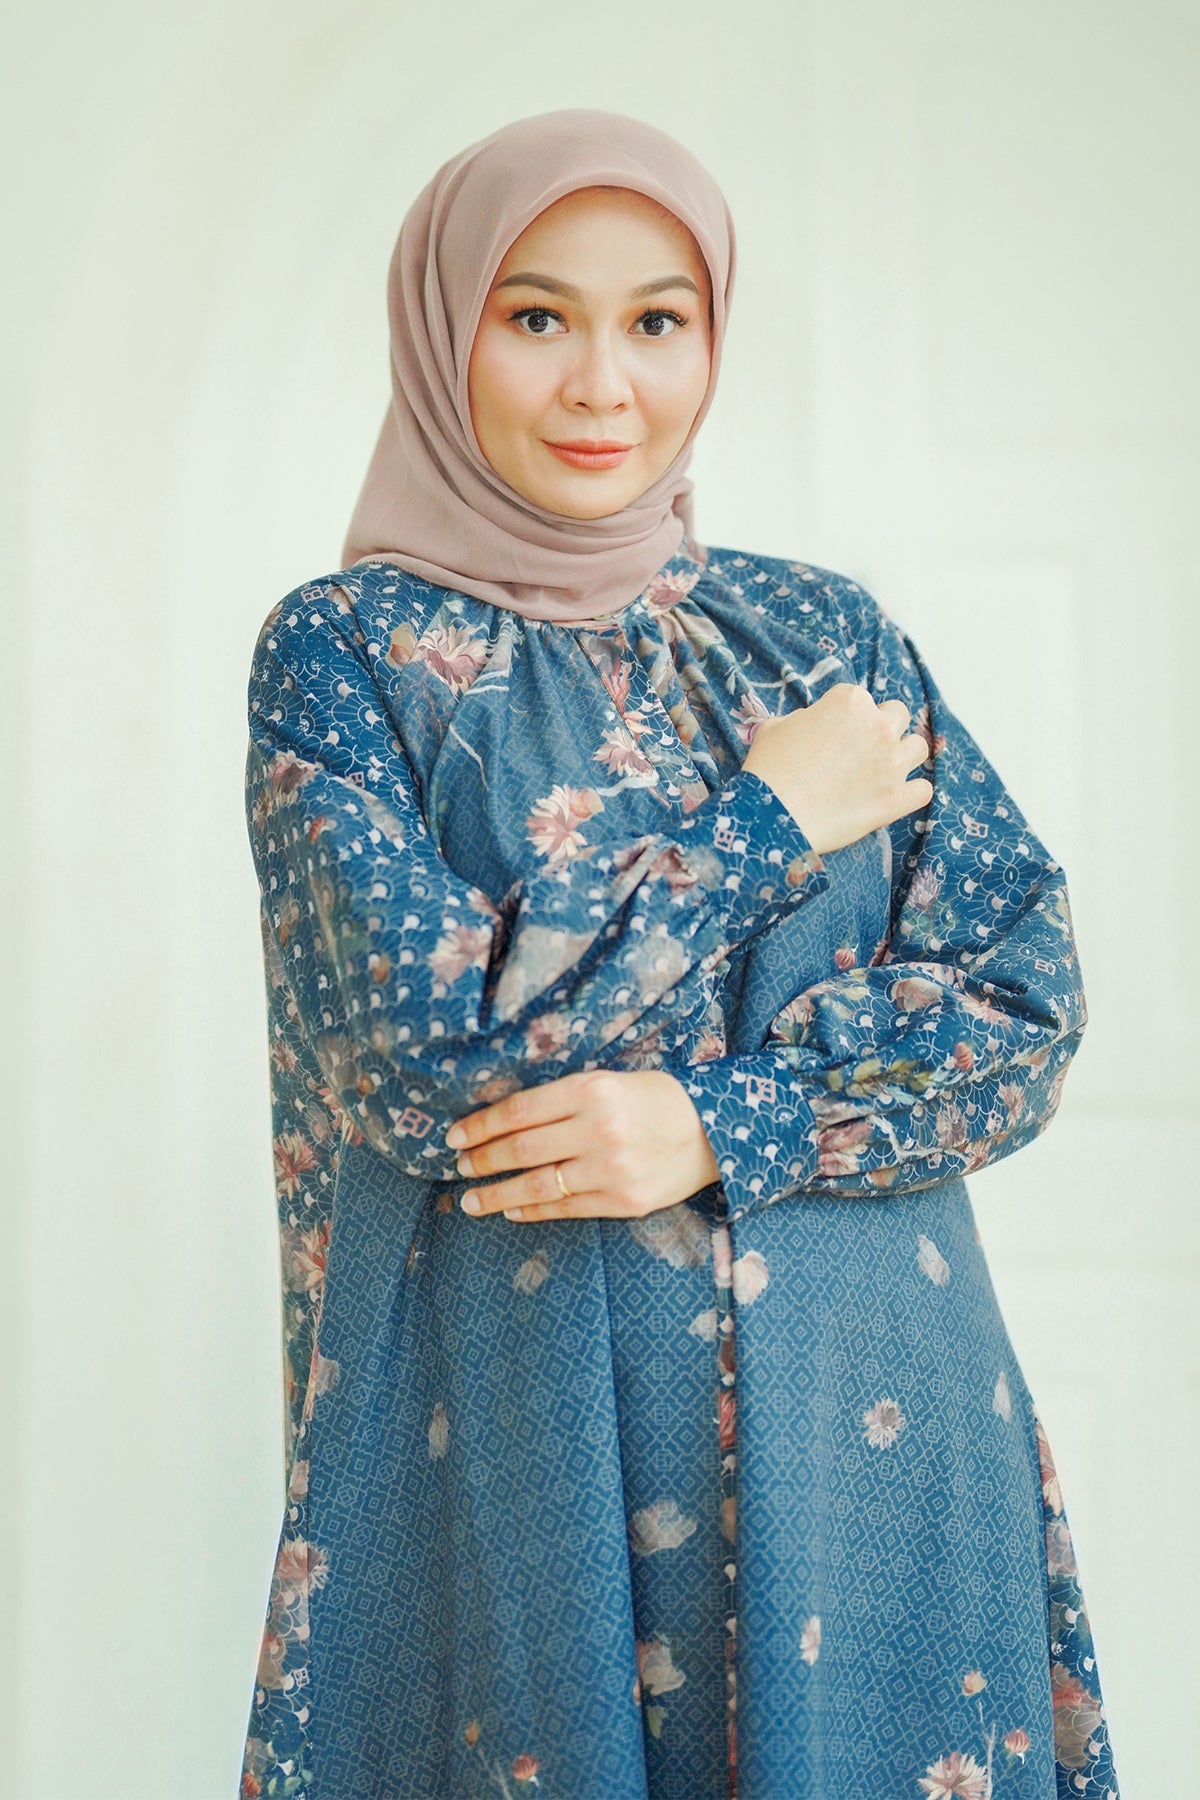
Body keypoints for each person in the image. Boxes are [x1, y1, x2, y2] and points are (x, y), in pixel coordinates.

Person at [238, 109, 1120, 1800]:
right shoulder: (347, 659)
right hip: (520, 1454)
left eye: (658, 320)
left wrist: (724, 1125)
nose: (602, 385)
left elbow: (1022, 1006)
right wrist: (763, 829)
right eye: (536, 315)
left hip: (872, 1431)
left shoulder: (824, 637)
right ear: (443, 329)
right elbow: (429, 1064)